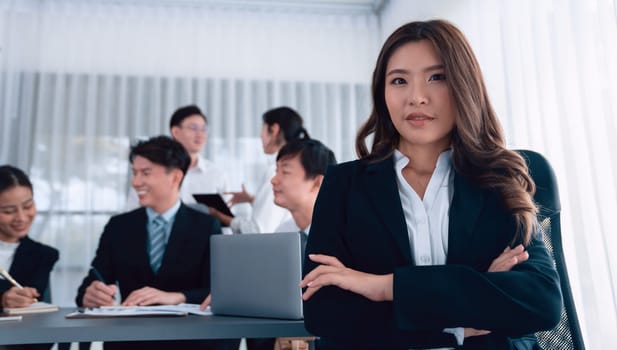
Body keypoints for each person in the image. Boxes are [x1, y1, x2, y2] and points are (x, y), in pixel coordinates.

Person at [300, 20, 562, 350]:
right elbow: (324, 312)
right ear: (383, 93)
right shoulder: (344, 184)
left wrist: (385, 287)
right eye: (399, 81)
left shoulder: (499, 182)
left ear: (464, 86)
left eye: (436, 77)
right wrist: (464, 313)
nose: (417, 97)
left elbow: (542, 301)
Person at [76, 136, 237, 350]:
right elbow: (92, 282)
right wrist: (91, 294)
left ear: (175, 177)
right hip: (131, 342)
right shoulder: (119, 226)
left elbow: (215, 290)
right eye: (134, 173)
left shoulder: (206, 226)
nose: (135, 182)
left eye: (146, 173)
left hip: (188, 342)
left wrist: (176, 297)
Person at [208, 106, 307, 234]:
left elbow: (259, 231)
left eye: (263, 128)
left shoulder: (275, 171)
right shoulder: (294, 169)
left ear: (274, 129)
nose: (260, 136)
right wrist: (252, 199)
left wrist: (222, 217)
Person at [0, 165, 59, 350]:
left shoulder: (43, 256)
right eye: (8, 211)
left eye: (28, 206)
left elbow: (34, 318)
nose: (22, 217)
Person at [125, 105, 228, 210]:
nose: (200, 134)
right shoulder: (153, 171)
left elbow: (226, 221)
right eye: (194, 128)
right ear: (176, 132)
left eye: (203, 129)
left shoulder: (216, 174)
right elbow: (131, 213)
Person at [271, 138, 337, 235]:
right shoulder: (283, 232)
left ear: (317, 183)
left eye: (285, 172)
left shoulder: (345, 235)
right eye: (277, 171)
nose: (273, 180)